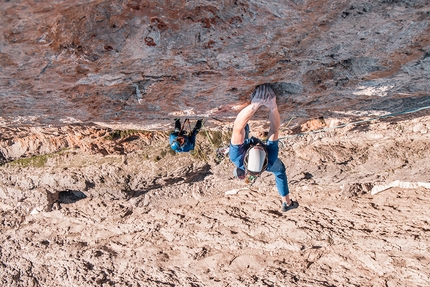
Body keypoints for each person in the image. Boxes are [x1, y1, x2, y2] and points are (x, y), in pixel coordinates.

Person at [229, 84, 299, 212]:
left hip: (244, 154)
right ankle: (286, 202)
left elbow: (237, 127)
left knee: (243, 129)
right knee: (280, 171)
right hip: (265, 161)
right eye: (260, 147)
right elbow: (274, 128)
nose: (258, 145)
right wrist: (273, 107)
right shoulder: (271, 158)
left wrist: (255, 104)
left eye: (257, 147)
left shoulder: (236, 156)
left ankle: (242, 173)